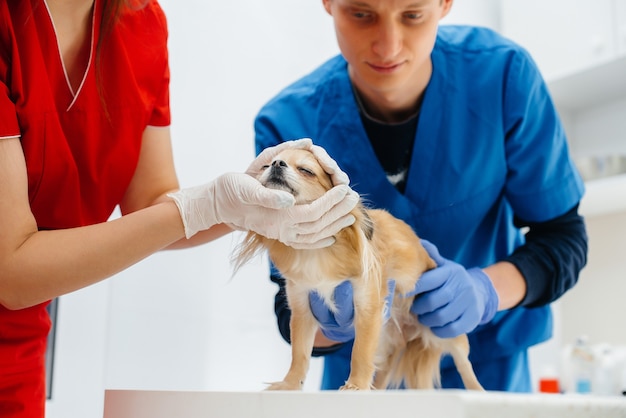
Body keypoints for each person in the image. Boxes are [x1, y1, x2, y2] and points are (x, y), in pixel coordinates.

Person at [0, 1, 358, 417]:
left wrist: (244, 205)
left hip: (22, 352)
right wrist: (208, 205)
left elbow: (150, 204)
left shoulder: (140, 21)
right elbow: (12, 271)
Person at [254, 0, 588, 392]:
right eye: (361, 15)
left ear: (445, 4)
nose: (388, 46)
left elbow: (562, 239)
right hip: (360, 379)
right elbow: (288, 295)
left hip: (485, 371)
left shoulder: (502, 77)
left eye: (412, 15)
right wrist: (327, 315)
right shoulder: (288, 128)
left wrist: (483, 293)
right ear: (328, 3)